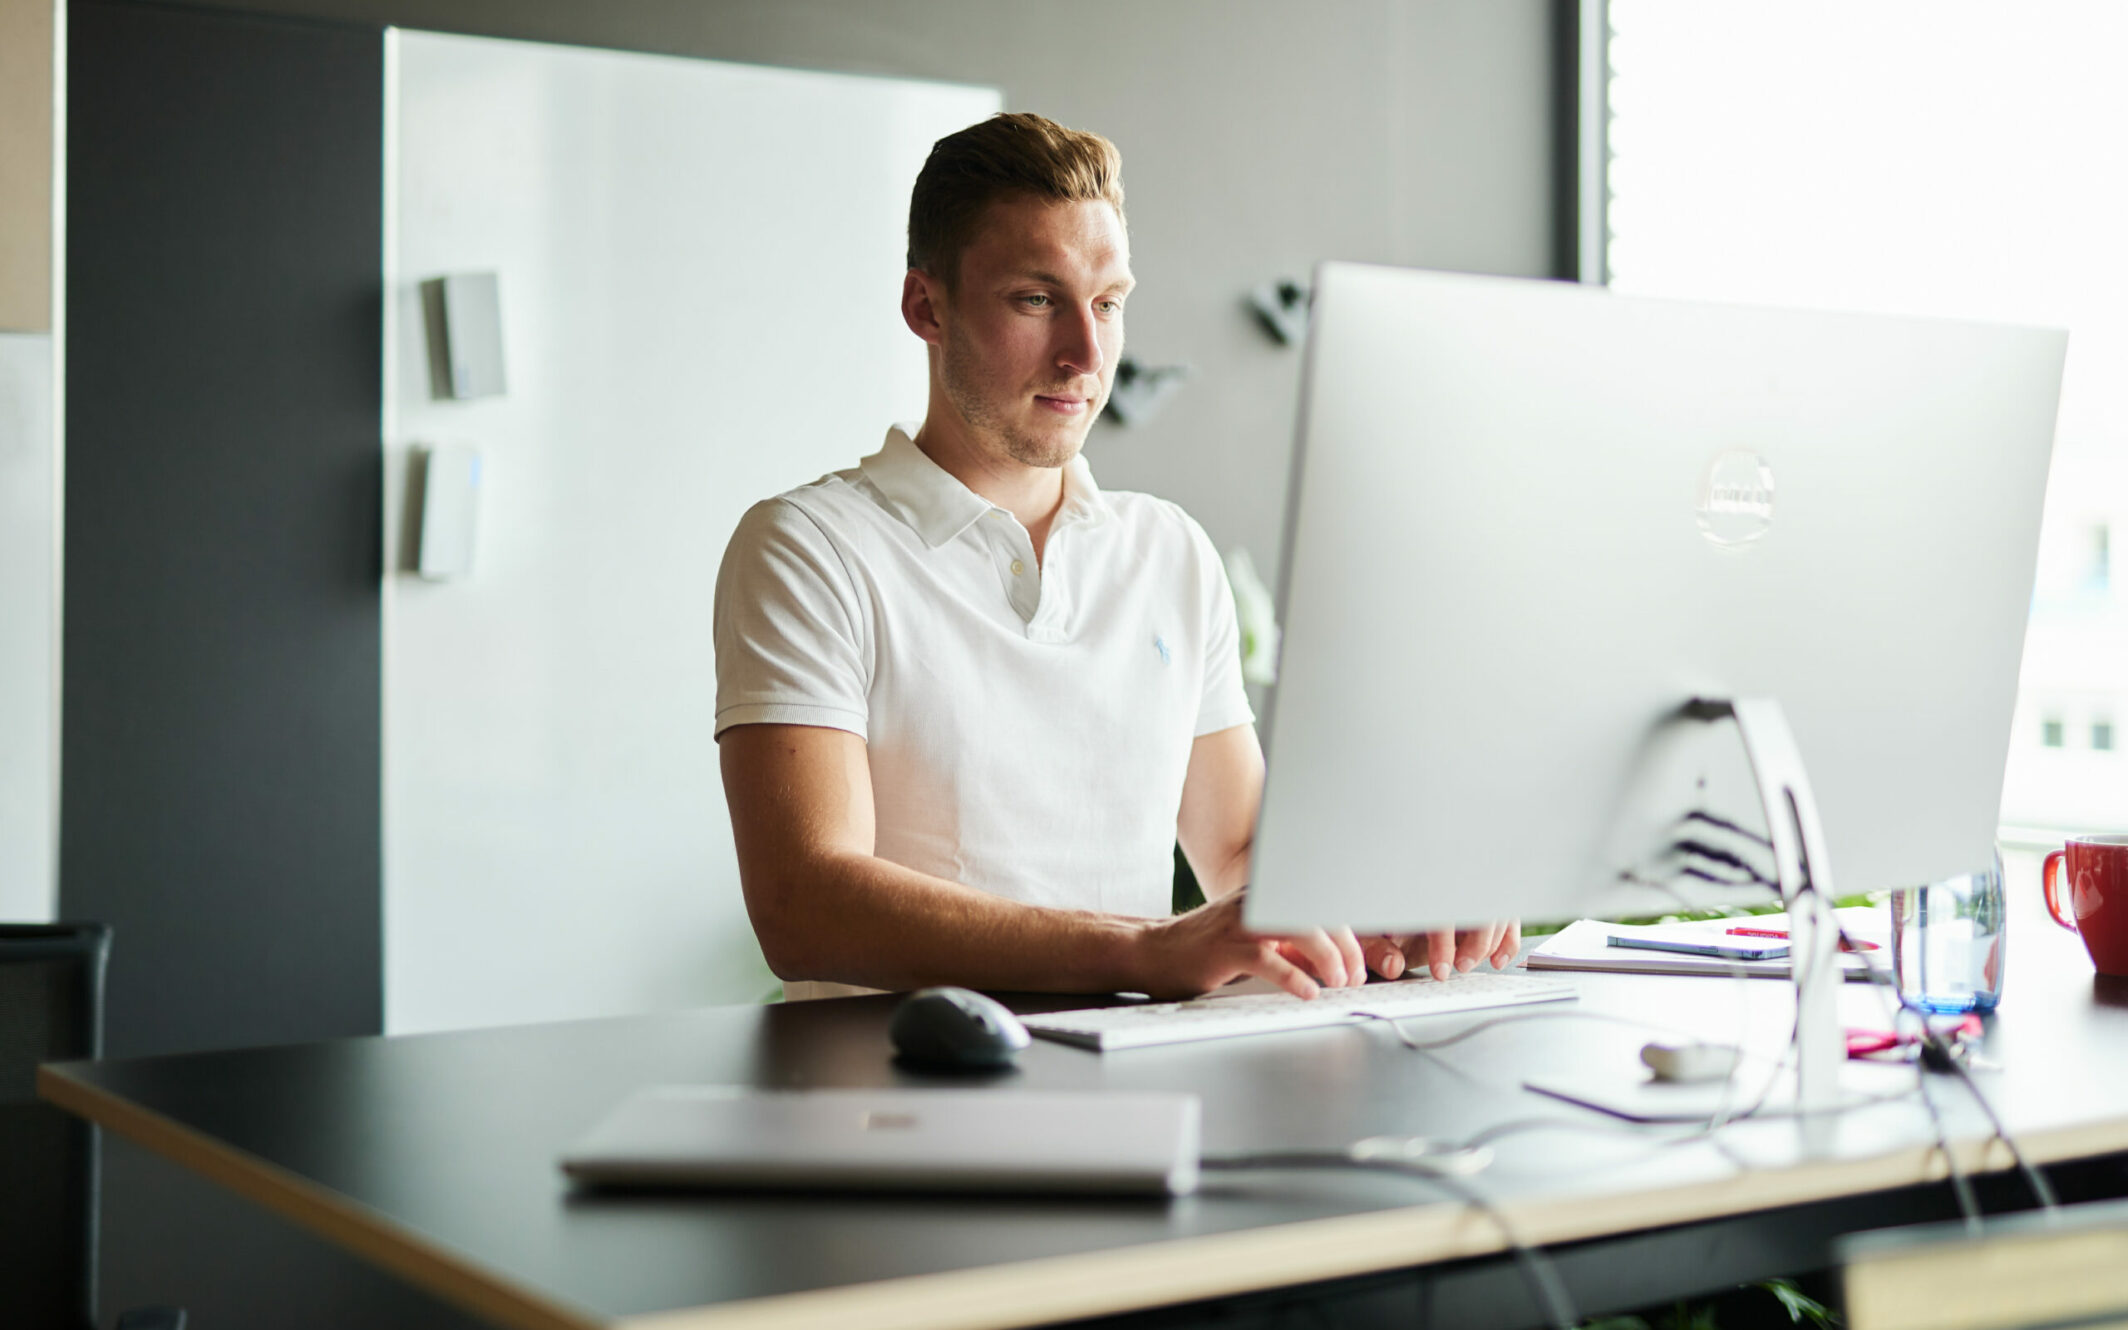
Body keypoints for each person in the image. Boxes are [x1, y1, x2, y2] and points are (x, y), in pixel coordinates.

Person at [714, 112, 1515, 1001]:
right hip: (904, 1103)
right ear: (925, 306)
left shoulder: (1168, 549)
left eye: (1107, 303)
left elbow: (1244, 854)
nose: (1086, 355)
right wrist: (1143, 950)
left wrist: (1379, 910)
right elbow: (805, 903)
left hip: (1140, 1092)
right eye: (1036, 299)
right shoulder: (809, 549)